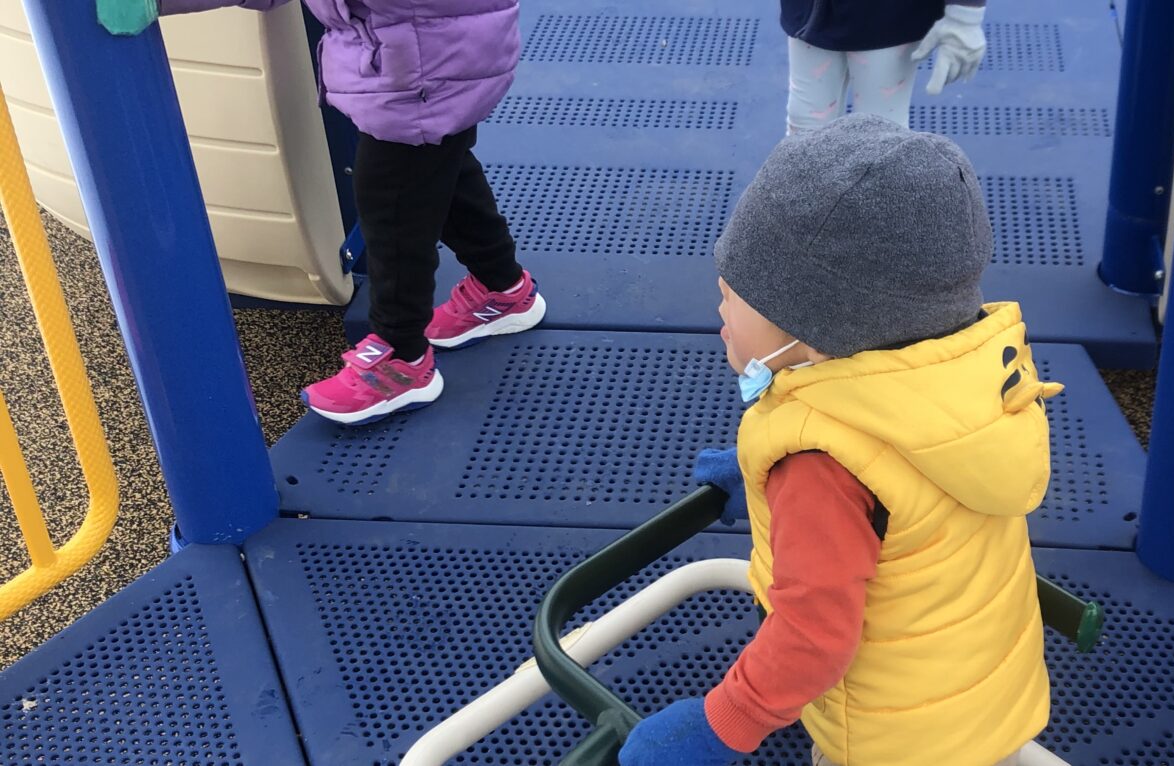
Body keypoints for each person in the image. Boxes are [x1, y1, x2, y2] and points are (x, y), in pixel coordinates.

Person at [619, 114, 1062, 766]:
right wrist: (759, 486)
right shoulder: (965, 380)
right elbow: (907, 510)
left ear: (815, 336)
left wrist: (721, 725)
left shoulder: (822, 467)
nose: (719, 309)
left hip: (891, 742)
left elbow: (813, 637)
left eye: (735, 296)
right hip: (978, 695)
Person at [99, 0, 545, 426]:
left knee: (394, 212)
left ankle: (401, 357)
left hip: (421, 66)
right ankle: (502, 286)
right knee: (439, 173)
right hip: (433, 52)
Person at [783, 0, 989, 134]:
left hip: (890, 18)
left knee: (881, 131)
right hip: (809, 13)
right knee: (805, 123)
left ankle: (883, 197)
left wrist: (965, 15)